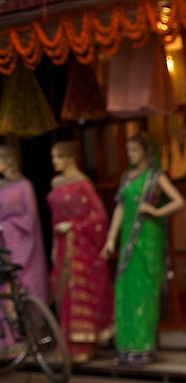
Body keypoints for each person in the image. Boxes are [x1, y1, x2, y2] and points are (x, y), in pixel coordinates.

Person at [101, 133, 186, 365]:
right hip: (129, 238)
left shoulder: (155, 176)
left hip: (148, 239)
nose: (131, 154)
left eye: (135, 150)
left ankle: (143, 347)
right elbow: (119, 208)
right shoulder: (127, 177)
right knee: (126, 289)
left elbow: (179, 200)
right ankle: (127, 348)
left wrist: (157, 212)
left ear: (146, 152)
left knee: (145, 291)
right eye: (128, 150)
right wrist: (110, 239)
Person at [47, 140, 112, 363]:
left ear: (69, 158)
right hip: (63, 243)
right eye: (53, 157)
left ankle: (84, 345)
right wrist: (55, 246)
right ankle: (66, 346)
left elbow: (99, 216)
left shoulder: (83, 184)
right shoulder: (56, 183)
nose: (54, 161)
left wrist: (75, 226)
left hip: (80, 244)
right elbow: (55, 219)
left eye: (58, 157)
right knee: (64, 290)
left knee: (79, 291)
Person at [0, 145, 50, 355]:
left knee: (26, 286)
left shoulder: (24, 185)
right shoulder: (1, 185)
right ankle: (10, 342)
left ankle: (36, 339)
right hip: (3, 243)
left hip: (23, 243)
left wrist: (6, 226)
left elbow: (30, 218)